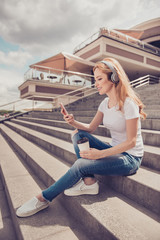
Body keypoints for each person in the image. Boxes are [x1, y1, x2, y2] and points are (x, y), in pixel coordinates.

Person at [16, 58, 146, 217]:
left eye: (100, 79)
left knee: (80, 164)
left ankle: (44, 198)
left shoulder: (128, 103)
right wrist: (73, 122)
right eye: (95, 79)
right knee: (78, 135)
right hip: (114, 152)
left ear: (113, 78)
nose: (96, 83)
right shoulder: (105, 103)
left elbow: (131, 142)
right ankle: (89, 182)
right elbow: (90, 128)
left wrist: (100, 154)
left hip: (130, 159)